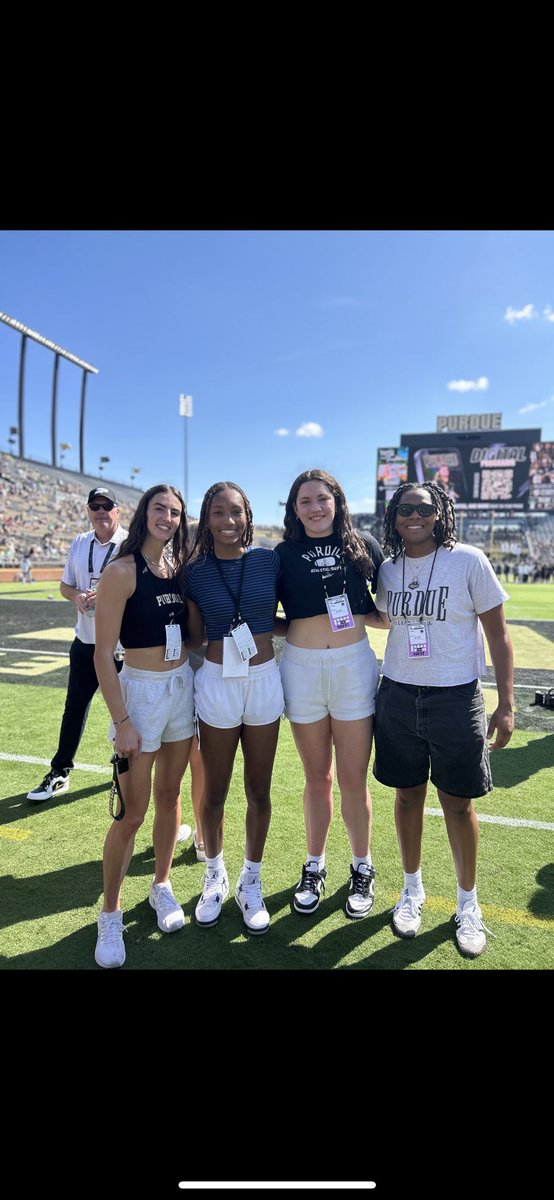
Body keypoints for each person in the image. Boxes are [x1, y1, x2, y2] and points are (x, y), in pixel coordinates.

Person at [373, 481, 514, 958]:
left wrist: (507, 703)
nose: (415, 516)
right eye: (405, 509)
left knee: (458, 804)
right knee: (407, 796)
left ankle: (466, 902)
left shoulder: (469, 560)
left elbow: (499, 636)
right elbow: (376, 617)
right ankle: (412, 890)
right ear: (393, 516)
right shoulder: (387, 570)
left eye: (424, 509)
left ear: (441, 513)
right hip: (397, 693)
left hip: (456, 697)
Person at [92, 483, 203, 968]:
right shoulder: (121, 571)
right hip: (138, 692)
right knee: (129, 814)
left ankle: (161, 885)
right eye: (160, 509)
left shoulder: (179, 571)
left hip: (181, 688)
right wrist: (122, 722)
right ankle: (110, 913)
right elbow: (101, 654)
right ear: (143, 514)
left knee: (170, 798)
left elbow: (195, 635)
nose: (168, 517)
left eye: (176, 512)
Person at [275, 469, 387, 920]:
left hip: (353, 667)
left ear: (338, 502)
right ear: (294, 508)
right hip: (301, 668)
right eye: (305, 501)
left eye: (323, 498)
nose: (315, 507)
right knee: (316, 777)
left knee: (352, 779)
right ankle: (315, 865)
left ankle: (362, 866)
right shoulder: (281, 554)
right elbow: (269, 618)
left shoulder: (365, 546)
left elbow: (389, 607)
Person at [182, 481, 284, 934]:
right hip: (218, 683)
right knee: (216, 792)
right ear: (207, 519)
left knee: (259, 790)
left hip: (264, 682)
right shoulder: (194, 571)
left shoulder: (268, 559)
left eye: (236, 512)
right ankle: (214, 875)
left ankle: (251, 881)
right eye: (218, 513)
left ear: (248, 516)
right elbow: (193, 636)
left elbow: (294, 611)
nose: (228, 521)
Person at [26, 487, 128, 804]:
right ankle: (59, 772)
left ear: (117, 511)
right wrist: (77, 596)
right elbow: (64, 585)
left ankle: (124, 772)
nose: (100, 510)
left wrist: (109, 596)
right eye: (94, 505)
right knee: (74, 709)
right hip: (85, 641)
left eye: (106, 505)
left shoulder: (129, 544)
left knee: (124, 715)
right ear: (88, 510)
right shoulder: (79, 542)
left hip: (121, 647)